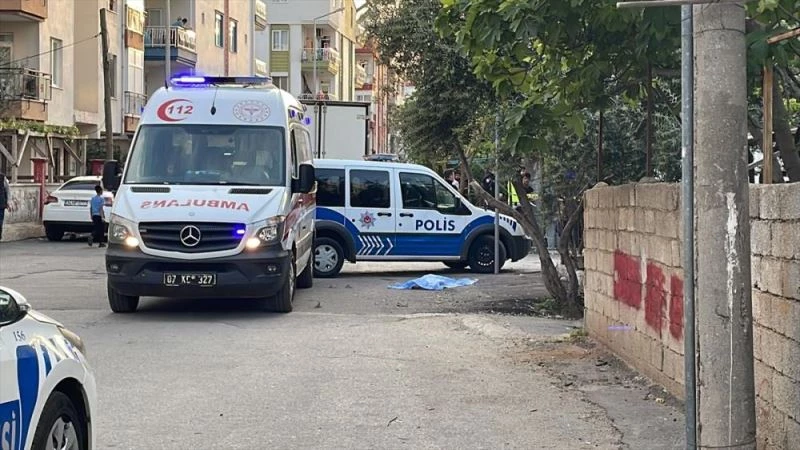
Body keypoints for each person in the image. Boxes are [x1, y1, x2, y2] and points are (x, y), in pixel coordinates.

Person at [0, 172, 10, 242]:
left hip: (1, 203)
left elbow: (7, 189)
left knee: (0, 221)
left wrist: (8, 201)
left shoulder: (2, 177)